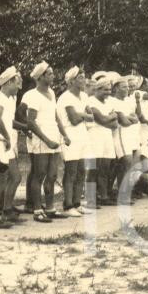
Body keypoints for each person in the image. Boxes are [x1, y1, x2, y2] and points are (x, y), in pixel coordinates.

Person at [23, 61, 67, 223]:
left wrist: (63, 134)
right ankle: (36, 209)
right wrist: (47, 140)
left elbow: (55, 116)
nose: (53, 76)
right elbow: (31, 122)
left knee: (53, 174)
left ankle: (50, 208)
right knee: (39, 174)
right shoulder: (31, 95)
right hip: (40, 139)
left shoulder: (52, 93)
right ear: (40, 77)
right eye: (49, 74)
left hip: (54, 137)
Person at [0, 65, 25, 229]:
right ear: (9, 82)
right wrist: (7, 136)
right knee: (1, 180)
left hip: (7, 143)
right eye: (17, 84)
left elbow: (8, 121)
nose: (19, 87)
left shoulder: (10, 99)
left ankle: (7, 210)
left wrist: (23, 127)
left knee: (16, 177)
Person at [56, 66, 93, 216]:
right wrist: (83, 115)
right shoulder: (65, 97)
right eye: (80, 78)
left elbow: (90, 116)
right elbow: (74, 119)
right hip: (69, 136)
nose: (84, 80)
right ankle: (68, 205)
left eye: (84, 77)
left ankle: (77, 203)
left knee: (81, 171)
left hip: (82, 135)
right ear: (71, 81)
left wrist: (82, 115)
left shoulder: (84, 96)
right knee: (71, 171)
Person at [87, 75, 119, 206]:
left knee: (105, 168)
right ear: (98, 89)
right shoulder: (91, 101)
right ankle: (90, 198)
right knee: (93, 169)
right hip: (94, 136)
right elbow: (102, 119)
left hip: (107, 136)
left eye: (109, 89)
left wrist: (109, 118)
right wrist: (110, 117)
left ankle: (103, 196)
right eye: (105, 90)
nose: (108, 92)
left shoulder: (110, 102)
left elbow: (115, 124)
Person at [107, 76, 140, 204]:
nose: (127, 89)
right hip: (118, 135)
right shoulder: (113, 101)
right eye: (124, 87)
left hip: (129, 136)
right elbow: (124, 122)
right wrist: (129, 119)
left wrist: (128, 118)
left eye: (127, 86)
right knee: (125, 162)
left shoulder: (128, 101)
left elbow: (135, 117)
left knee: (124, 165)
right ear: (116, 88)